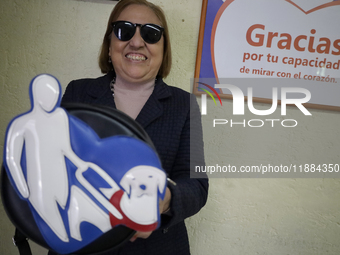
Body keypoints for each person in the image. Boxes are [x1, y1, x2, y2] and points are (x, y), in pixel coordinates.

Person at [51, 0, 208, 254]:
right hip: (84, 243)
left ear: (163, 47)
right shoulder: (77, 92)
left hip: (157, 247)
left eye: (150, 33)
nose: (136, 42)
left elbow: (197, 185)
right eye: (124, 30)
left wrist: (163, 200)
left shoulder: (184, 105)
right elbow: (54, 167)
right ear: (110, 44)